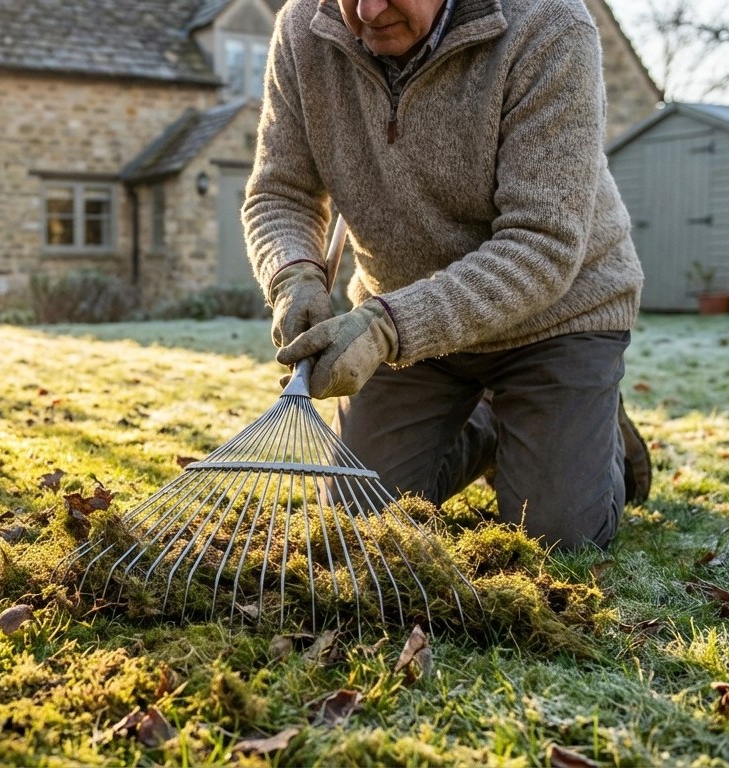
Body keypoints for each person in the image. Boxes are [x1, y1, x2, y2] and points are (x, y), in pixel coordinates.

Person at [243, 0, 651, 551]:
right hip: (406, 321)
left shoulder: (550, 26)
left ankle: (590, 428)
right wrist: (292, 274)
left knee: (557, 538)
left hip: (557, 316)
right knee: (359, 521)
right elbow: (280, 192)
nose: (367, 10)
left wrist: (387, 327)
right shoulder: (304, 30)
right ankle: (492, 422)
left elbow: (542, 243)